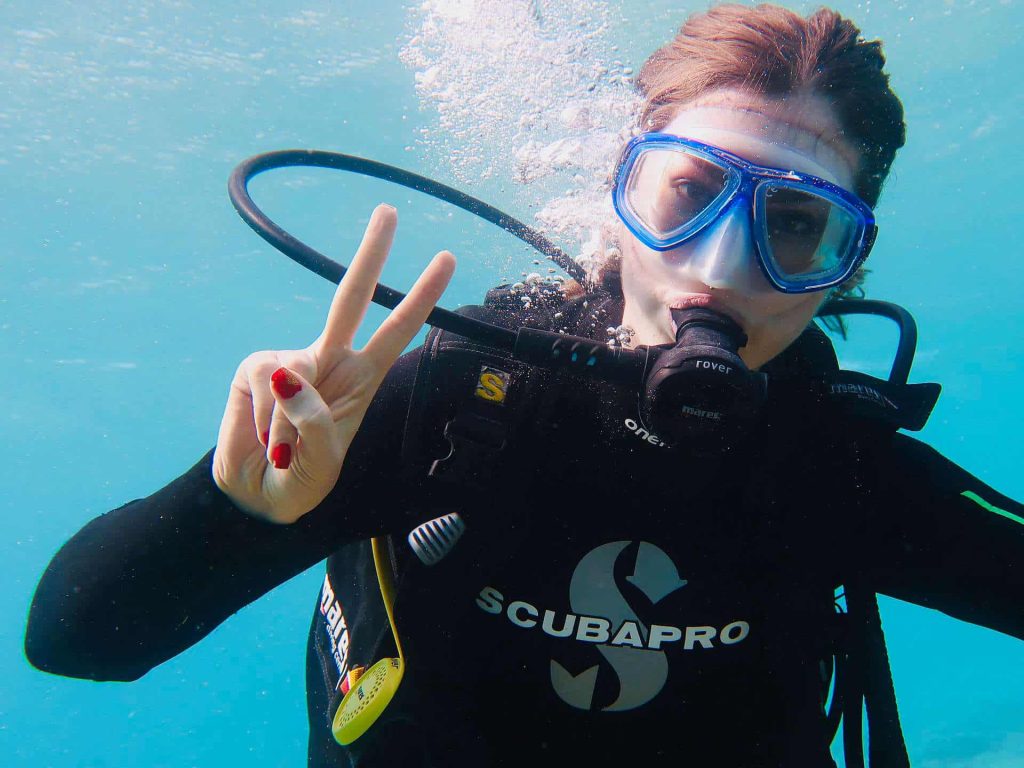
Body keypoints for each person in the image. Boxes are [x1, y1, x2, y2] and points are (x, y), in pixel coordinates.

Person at [24, 4, 1024, 767]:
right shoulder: (455, 407)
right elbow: (76, 638)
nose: (719, 269)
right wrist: (233, 507)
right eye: (690, 193)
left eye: (798, 225)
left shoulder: (834, 465)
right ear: (620, 194)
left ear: (844, 267)